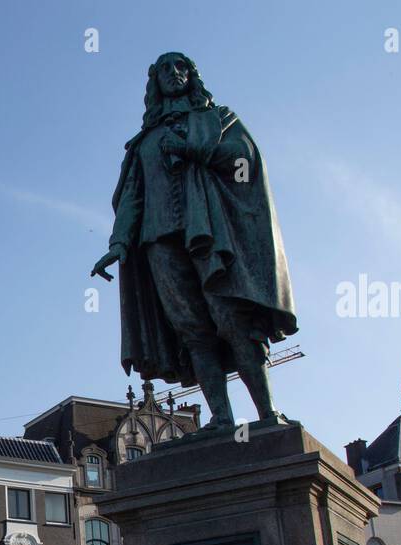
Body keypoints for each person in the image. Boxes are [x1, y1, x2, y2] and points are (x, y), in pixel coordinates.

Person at [91, 51, 296, 430]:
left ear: (193, 75)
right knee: (192, 330)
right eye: (165, 69)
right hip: (159, 242)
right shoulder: (144, 143)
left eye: (181, 66)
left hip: (212, 235)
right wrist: (118, 243)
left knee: (232, 319)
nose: (174, 73)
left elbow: (244, 163)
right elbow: (133, 196)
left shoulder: (217, 119)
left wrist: (194, 150)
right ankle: (221, 417)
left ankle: (268, 414)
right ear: (154, 83)